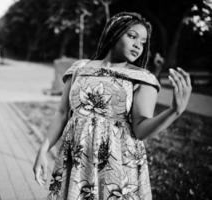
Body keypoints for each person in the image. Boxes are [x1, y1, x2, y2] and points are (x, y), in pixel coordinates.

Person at [33, 12, 192, 200]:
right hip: (76, 163)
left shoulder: (142, 78)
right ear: (114, 33)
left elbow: (141, 129)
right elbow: (61, 114)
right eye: (132, 36)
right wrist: (43, 151)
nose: (137, 46)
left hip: (117, 167)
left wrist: (174, 111)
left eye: (142, 42)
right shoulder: (79, 69)